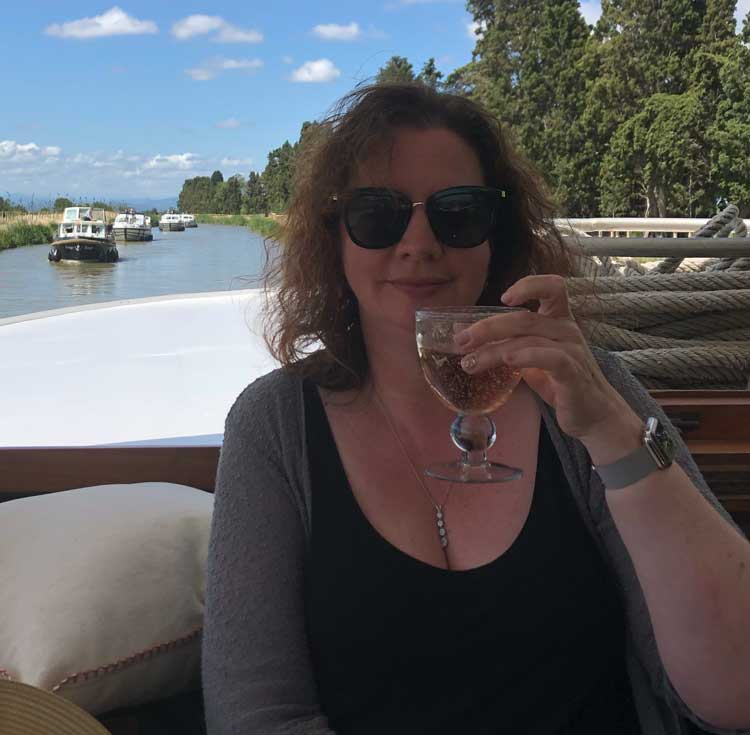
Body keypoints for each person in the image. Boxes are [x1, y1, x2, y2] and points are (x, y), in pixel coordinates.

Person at [202, 83, 750, 735]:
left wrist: (616, 432)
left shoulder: (590, 392)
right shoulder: (274, 426)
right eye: (377, 214)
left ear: (497, 232)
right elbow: (261, 716)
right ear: (335, 238)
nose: (420, 242)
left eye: (457, 212)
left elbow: (733, 692)